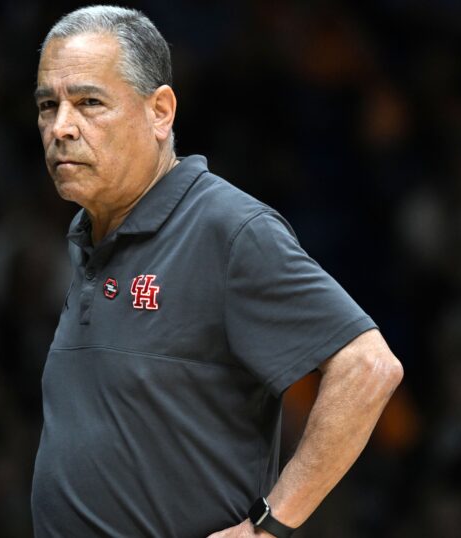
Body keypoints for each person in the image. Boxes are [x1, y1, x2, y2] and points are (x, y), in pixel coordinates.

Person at [30, 6, 403, 537]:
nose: (61, 127)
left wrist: (267, 528)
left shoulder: (225, 228)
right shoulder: (89, 234)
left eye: (89, 102)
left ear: (160, 111)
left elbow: (369, 368)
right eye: (49, 105)